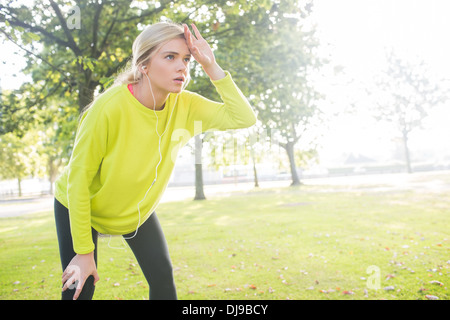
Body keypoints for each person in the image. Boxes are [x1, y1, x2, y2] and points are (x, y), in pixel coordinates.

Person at [53, 21, 257, 300]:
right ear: (144, 65)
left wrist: (210, 66)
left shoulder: (185, 105)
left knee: (163, 281)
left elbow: (243, 118)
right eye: (170, 57)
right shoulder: (108, 108)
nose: (182, 66)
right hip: (79, 205)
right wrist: (84, 253)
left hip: (136, 212)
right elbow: (78, 181)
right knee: (80, 288)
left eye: (186, 59)